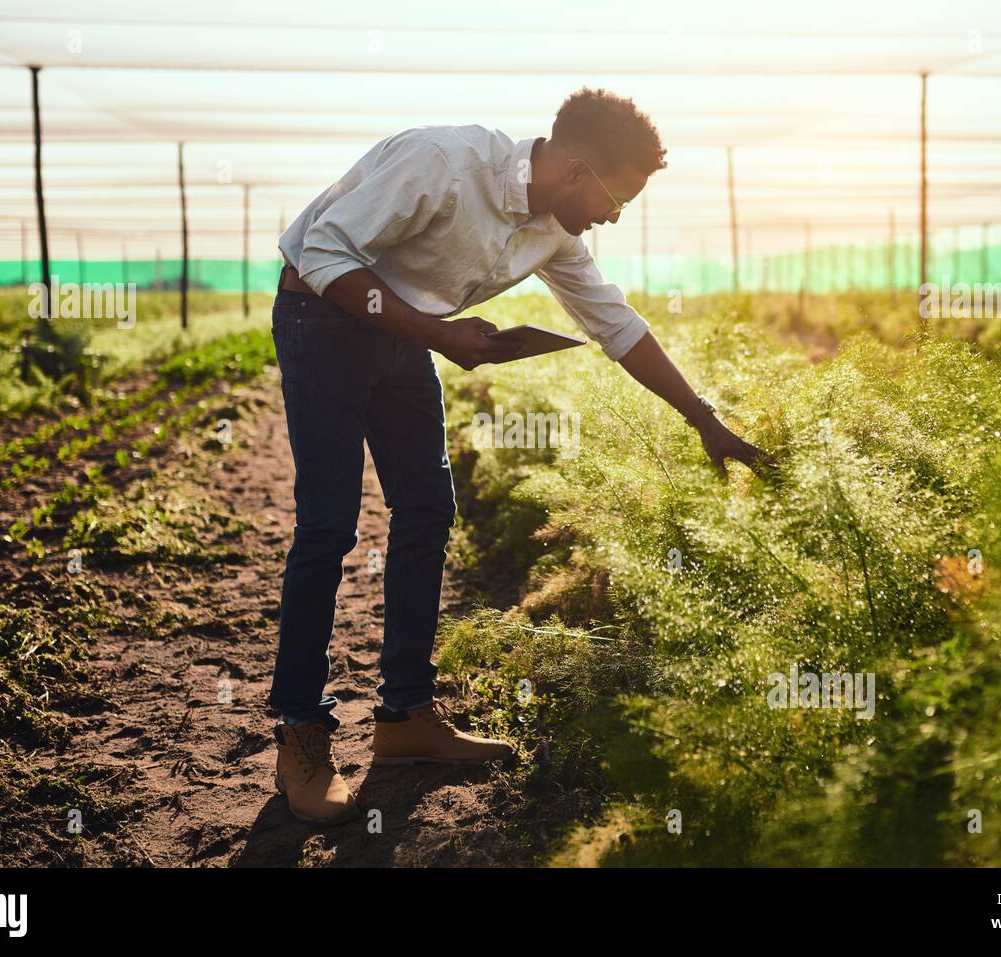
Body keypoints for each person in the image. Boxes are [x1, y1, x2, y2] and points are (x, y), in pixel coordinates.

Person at [269, 87, 769, 823]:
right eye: (615, 199)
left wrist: (703, 418)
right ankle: (300, 730)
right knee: (329, 522)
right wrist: (442, 336)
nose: (613, 217)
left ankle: (405, 716)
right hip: (323, 314)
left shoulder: (553, 232)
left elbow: (615, 324)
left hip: (405, 331)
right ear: (575, 168)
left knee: (427, 511)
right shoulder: (444, 163)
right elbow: (322, 254)